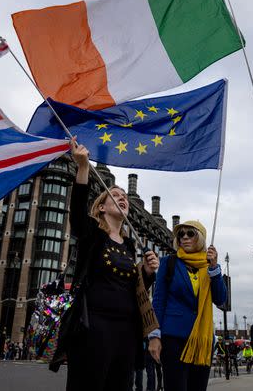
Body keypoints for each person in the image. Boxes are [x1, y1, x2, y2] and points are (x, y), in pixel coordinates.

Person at [52, 140, 160, 391]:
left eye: (125, 197)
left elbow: (135, 287)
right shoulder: (93, 234)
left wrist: (147, 271)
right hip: (93, 329)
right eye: (115, 196)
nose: (122, 199)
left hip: (126, 332)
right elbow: (77, 215)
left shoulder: (130, 246)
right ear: (101, 207)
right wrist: (82, 168)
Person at [148, 219, 227, 391]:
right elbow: (159, 300)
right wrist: (154, 335)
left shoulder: (210, 267)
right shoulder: (169, 262)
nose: (184, 237)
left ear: (200, 238)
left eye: (190, 233)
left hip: (202, 341)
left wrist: (214, 268)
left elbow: (221, 300)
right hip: (174, 338)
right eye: (180, 234)